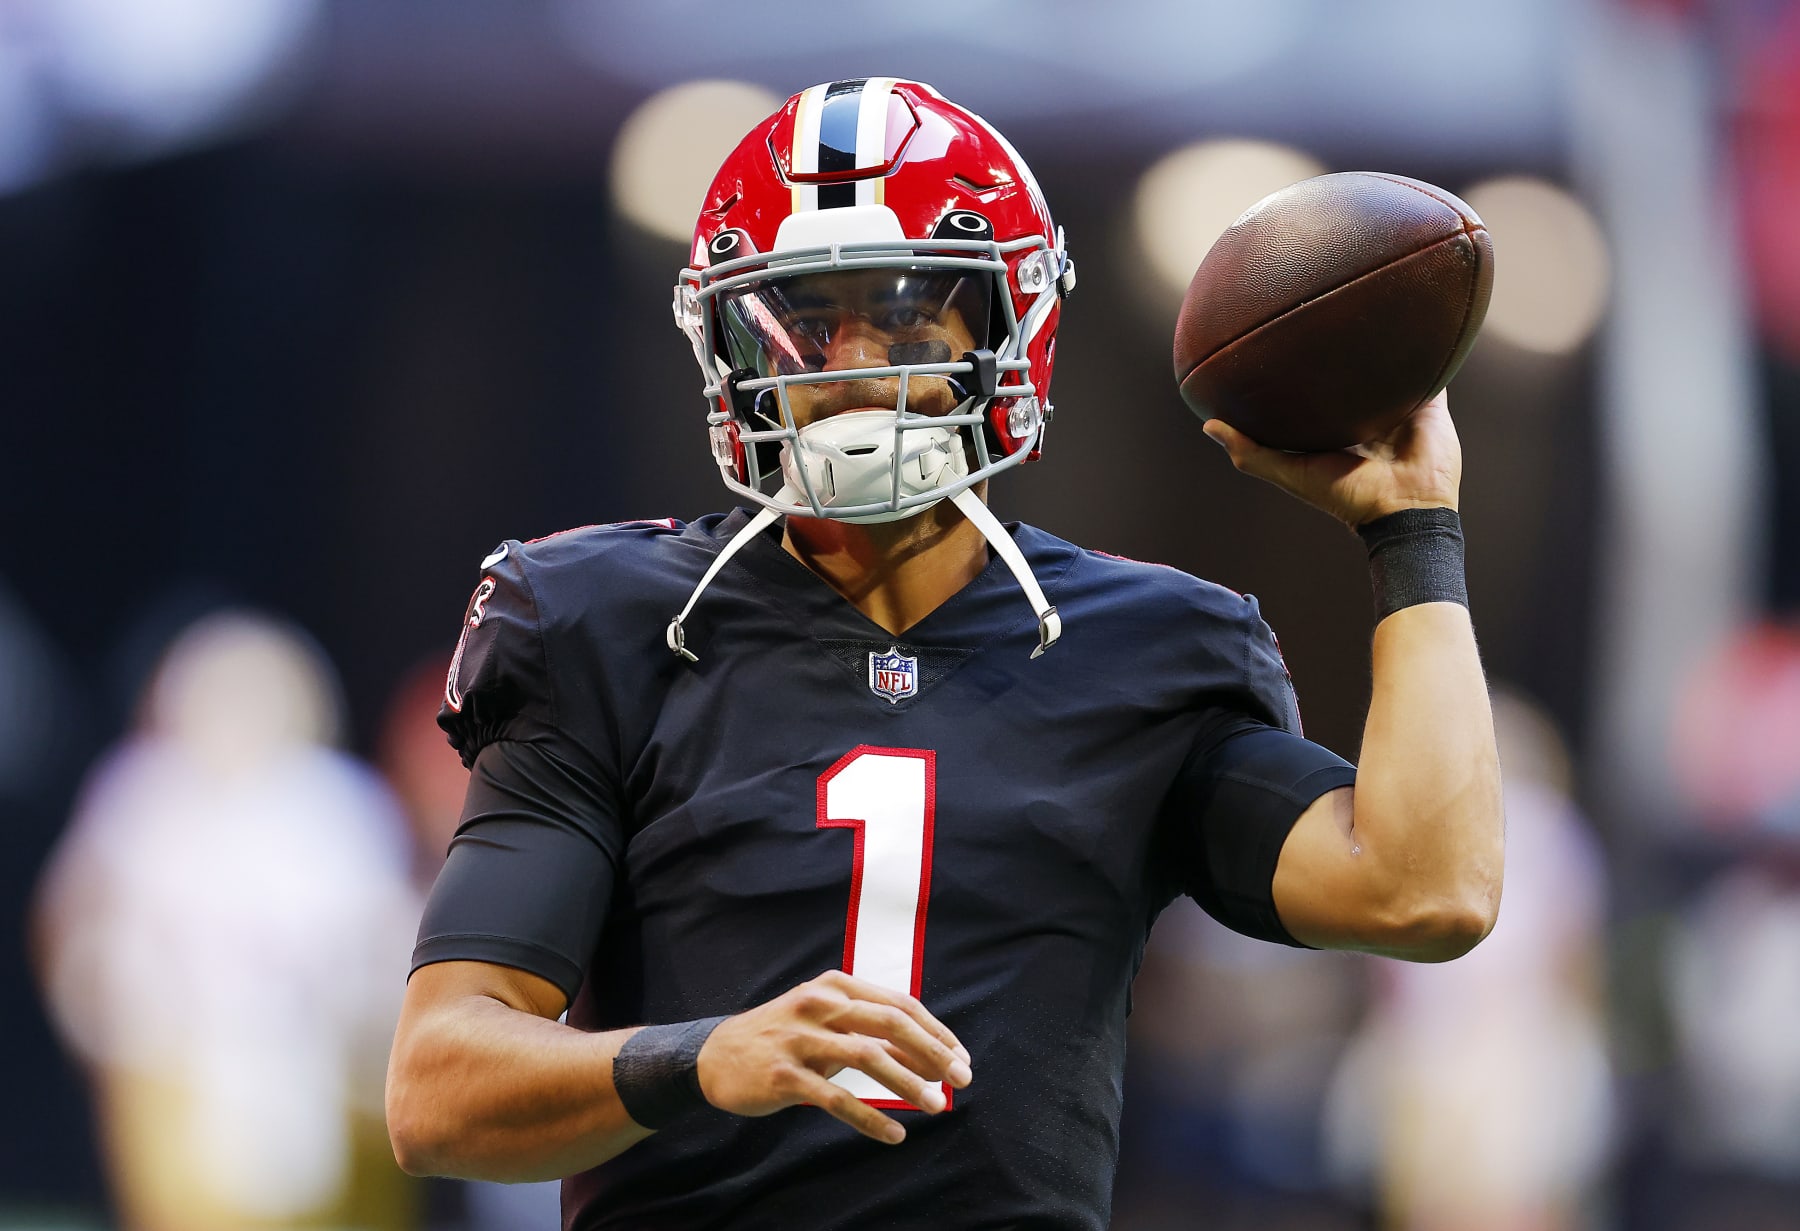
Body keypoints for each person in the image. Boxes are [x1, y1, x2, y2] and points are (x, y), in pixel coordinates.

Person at [386, 78, 1504, 1230]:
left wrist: (1411, 530)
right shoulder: (607, 621)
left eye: (910, 315)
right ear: (726, 340)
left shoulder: (1148, 646)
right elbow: (438, 1087)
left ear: (1008, 326)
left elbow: (1427, 891)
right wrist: (703, 1056)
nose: (858, 368)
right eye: (808, 323)